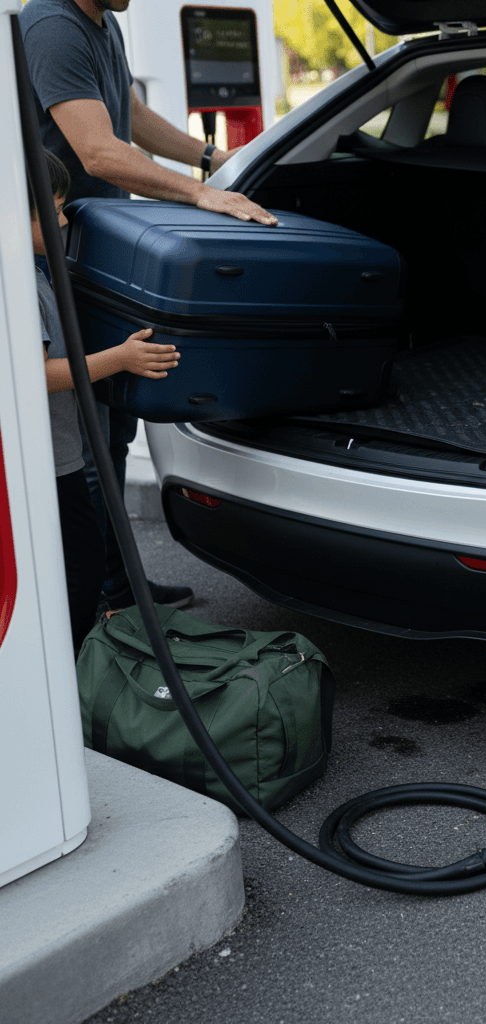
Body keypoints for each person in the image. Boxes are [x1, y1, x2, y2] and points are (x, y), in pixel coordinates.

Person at [19, 0, 278, 611]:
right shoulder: (53, 26)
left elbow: (126, 115)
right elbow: (99, 152)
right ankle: (92, 597)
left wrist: (212, 161)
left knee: (111, 429)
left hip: (91, 253)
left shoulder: (102, 22)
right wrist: (200, 195)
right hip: (59, 256)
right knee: (86, 438)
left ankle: (114, 583)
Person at [31, 150, 181, 650]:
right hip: (49, 464)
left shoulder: (33, 272)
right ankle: (66, 677)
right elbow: (32, 376)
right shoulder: (20, 288)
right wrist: (120, 359)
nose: (62, 219)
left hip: (57, 456)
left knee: (74, 564)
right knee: (81, 568)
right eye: (53, 209)